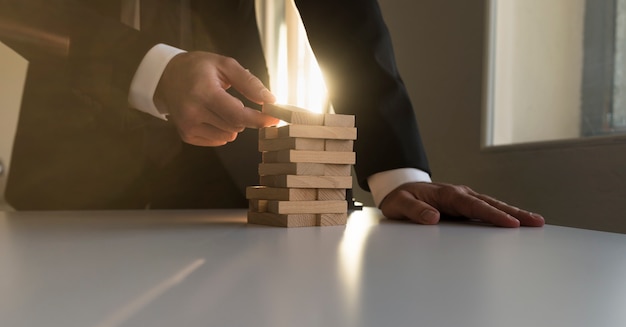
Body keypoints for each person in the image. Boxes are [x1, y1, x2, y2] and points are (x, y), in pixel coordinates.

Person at [0, 0, 544, 227]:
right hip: (65, 172)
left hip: (236, 170)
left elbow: (345, 14)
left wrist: (397, 170)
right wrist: (149, 69)